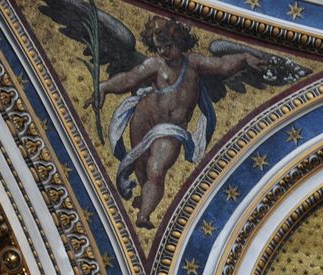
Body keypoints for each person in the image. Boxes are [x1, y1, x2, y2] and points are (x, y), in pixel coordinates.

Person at [87, 18, 269, 229]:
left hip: (171, 129)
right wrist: (104, 87)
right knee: (142, 167)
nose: (163, 51)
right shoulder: (155, 64)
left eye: (168, 46)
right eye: (159, 47)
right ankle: (144, 198)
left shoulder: (193, 63)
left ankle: (144, 215)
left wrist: (245, 58)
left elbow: (222, 65)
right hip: (144, 118)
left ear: (180, 42)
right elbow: (129, 78)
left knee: (156, 168)